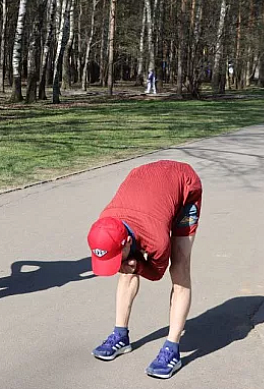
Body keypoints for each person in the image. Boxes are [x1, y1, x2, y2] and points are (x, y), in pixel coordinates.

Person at [86, 160, 202, 379]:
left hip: (184, 186)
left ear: (128, 240)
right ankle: (120, 335)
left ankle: (172, 349)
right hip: (147, 183)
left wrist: (137, 265)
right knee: (126, 266)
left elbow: (157, 272)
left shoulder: (156, 240)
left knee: (180, 267)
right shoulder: (105, 221)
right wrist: (128, 264)